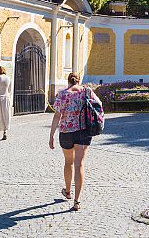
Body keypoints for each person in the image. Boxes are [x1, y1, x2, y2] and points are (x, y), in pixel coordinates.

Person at [49, 72, 102, 211]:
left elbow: (57, 116)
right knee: (79, 164)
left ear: (68, 81)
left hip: (66, 132)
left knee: (68, 162)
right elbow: (99, 104)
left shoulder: (62, 94)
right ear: (78, 81)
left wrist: (51, 136)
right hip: (83, 131)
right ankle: (77, 201)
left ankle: (67, 191)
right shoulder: (86, 91)